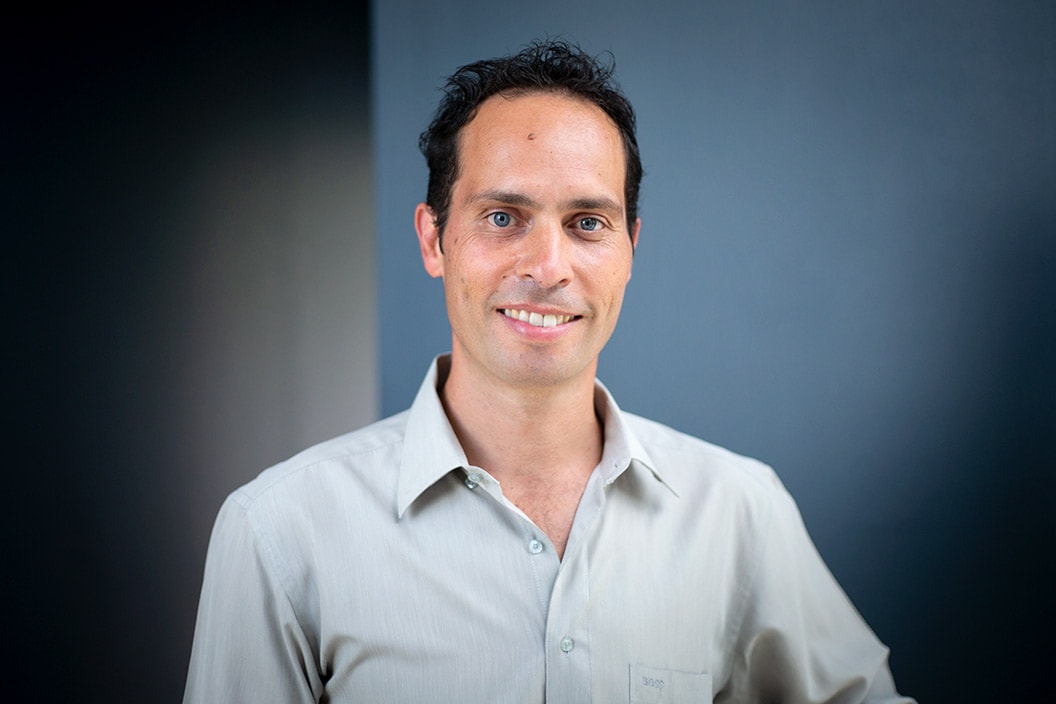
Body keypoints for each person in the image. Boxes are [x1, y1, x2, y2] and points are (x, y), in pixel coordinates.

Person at [184, 40, 913, 703]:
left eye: (587, 223)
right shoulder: (279, 533)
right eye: (503, 217)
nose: (547, 267)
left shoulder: (739, 512)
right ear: (434, 240)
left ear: (630, 249)